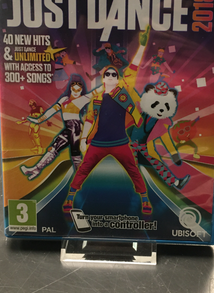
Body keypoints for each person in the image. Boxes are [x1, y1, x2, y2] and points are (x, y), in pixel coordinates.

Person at [63, 27, 152, 215]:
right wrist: (84, 140)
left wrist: (142, 45)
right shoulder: (96, 98)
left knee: (133, 170)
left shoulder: (124, 90)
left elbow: (134, 66)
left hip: (120, 142)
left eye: (114, 74)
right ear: (103, 79)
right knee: (83, 169)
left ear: (117, 78)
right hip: (98, 143)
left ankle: (144, 199)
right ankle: (70, 196)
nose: (111, 76)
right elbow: (89, 119)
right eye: (107, 74)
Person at [20, 75, 101, 180]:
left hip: (76, 129)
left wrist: (112, 83)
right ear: (70, 88)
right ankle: (36, 169)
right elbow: (52, 110)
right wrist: (39, 120)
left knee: (75, 154)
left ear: (81, 90)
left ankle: (83, 180)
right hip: (69, 129)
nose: (76, 92)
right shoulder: (64, 99)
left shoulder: (82, 99)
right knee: (54, 148)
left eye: (79, 90)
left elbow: (96, 91)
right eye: (74, 89)